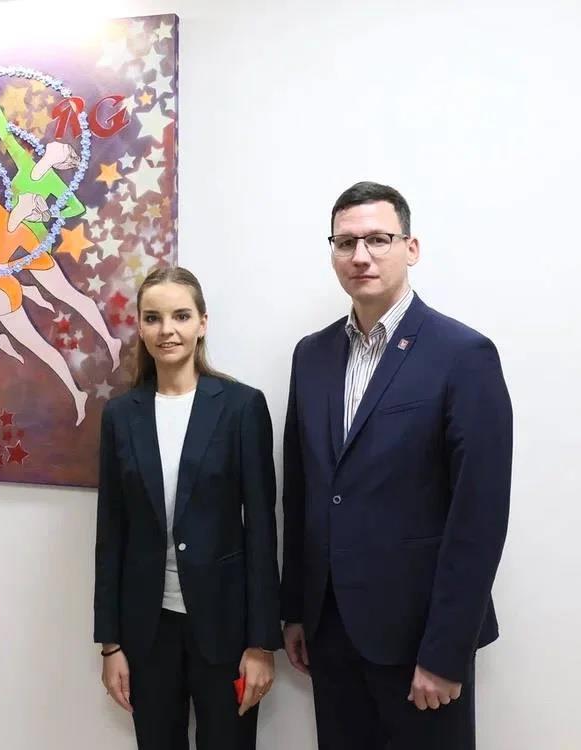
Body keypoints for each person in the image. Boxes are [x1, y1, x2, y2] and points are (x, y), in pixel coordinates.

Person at [280, 182, 512, 749]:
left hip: (419, 643)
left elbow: (479, 517)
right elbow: (302, 491)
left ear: (411, 248)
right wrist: (296, 610)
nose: (361, 256)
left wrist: (446, 652)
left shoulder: (463, 354)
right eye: (346, 242)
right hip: (331, 632)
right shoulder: (311, 355)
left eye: (378, 239)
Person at [94, 265, 281, 749]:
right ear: (140, 326)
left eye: (180, 316)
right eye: (153, 318)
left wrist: (262, 643)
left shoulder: (241, 407)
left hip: (226, 629)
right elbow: (111, 534)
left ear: (202, 323)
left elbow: (262, 530)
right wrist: (110, 644)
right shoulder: (121, 415)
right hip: (147, 630)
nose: (167, 330)